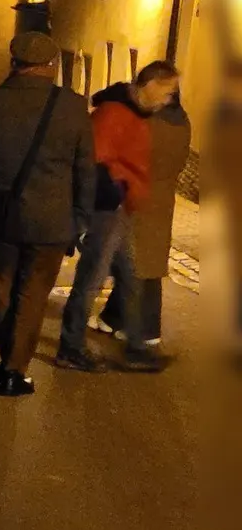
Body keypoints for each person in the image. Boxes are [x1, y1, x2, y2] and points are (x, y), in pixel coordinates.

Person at [0, 32, 95, 397]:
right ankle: (15, 369)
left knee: (1, 289)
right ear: (51, 66)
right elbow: (85, 167)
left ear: (13, 62)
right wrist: (80, 217)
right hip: (51, 219)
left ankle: (7, 363)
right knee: (33, 294)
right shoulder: (72, 106)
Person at [55, 61, 180, 373]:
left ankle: (136, 347)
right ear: (148, 84)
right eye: (166, 92)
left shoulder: (133, 113)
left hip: (121, 208)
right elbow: (91, 161)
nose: (168, 100)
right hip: (106, 210)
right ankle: (70, 347)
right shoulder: (114, 114)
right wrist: (113, 191)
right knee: (92, 280)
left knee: (130, 276)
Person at [92, 95, 192, 347]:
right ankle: (114, 318)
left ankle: (146, 327)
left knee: (134, 261)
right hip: (161, 199)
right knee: (146, 262)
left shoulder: (150, 124)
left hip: (138, 196)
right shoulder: (182, 122)